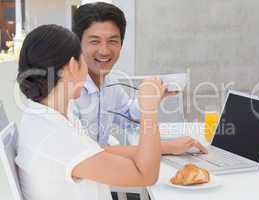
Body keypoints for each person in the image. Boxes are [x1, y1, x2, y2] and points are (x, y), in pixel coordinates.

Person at [15, 24, 167, 200]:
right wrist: (149, 110)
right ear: (73, 65)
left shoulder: (46, 117)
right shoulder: (56, 137)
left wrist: (162, 148)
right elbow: (145, 175)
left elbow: (97, 152)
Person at [72, 2, 207, 155]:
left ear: (121, 44)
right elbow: (82, 153)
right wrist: (165, 148)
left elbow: (129, 116)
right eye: (95, 41)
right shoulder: (66, 89)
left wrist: (151, 98)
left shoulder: (109, 82)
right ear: (77, 43)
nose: (104, 51)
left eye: (113, 41)